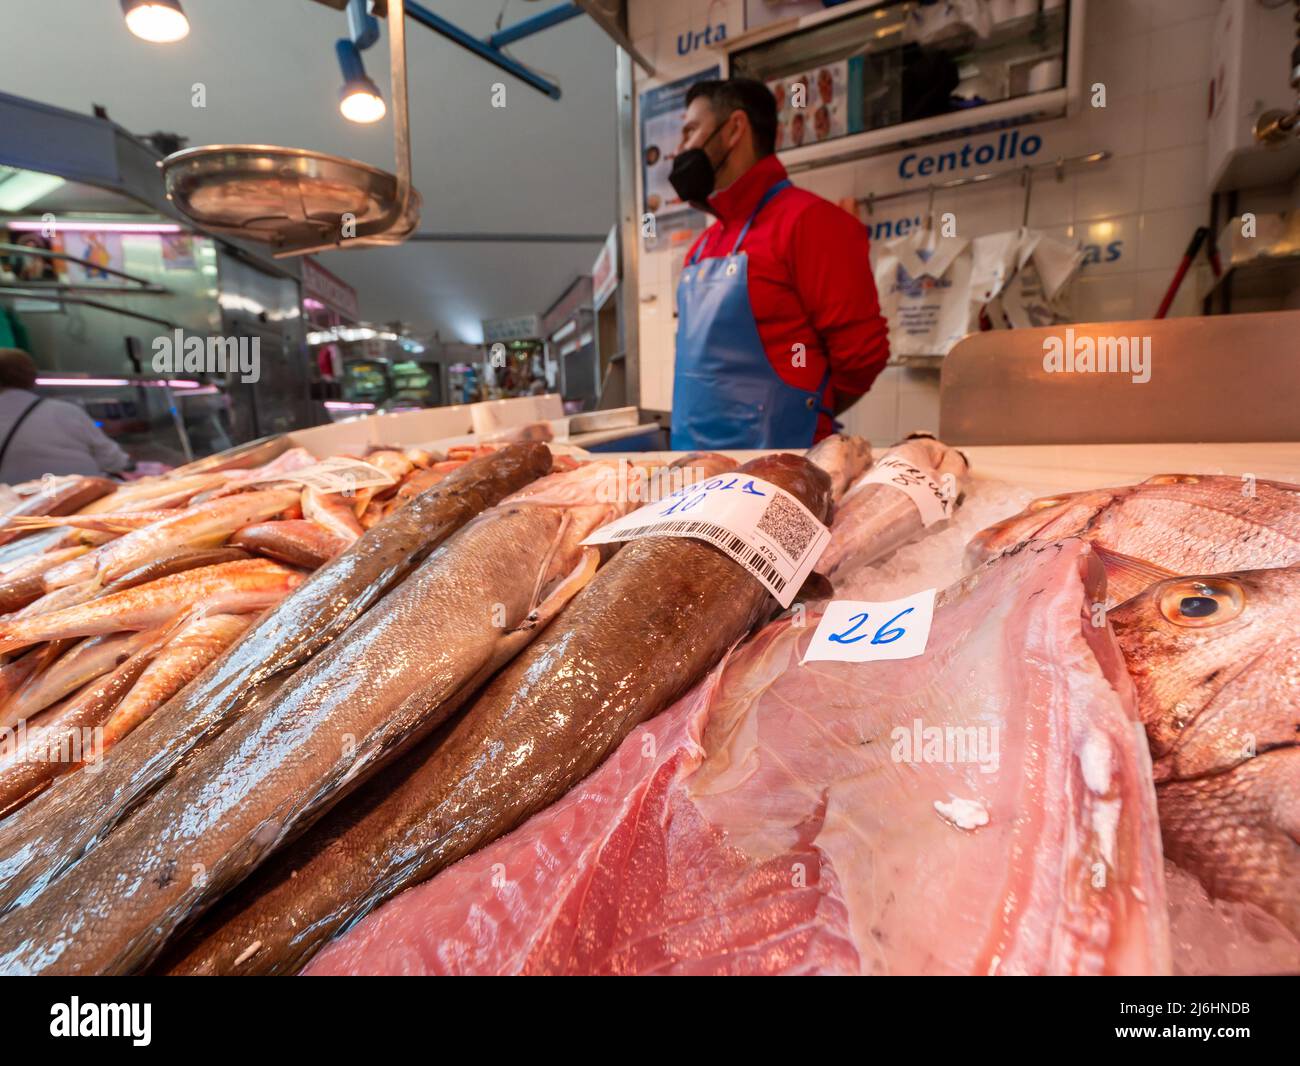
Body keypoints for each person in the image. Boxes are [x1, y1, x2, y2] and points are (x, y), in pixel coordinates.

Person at [667, 78, 891, 449]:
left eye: (691, 131)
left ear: (734, 129)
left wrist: (803, 412)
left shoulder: (811, 222)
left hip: (779, 471)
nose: (680, 149)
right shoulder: (703, 246)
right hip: (695, 470)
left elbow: (862, 356)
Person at [0, 348, 131, 484]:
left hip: (15, 502)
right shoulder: (65, 411)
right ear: (32, 378)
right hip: (83, 496)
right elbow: (114, 461)